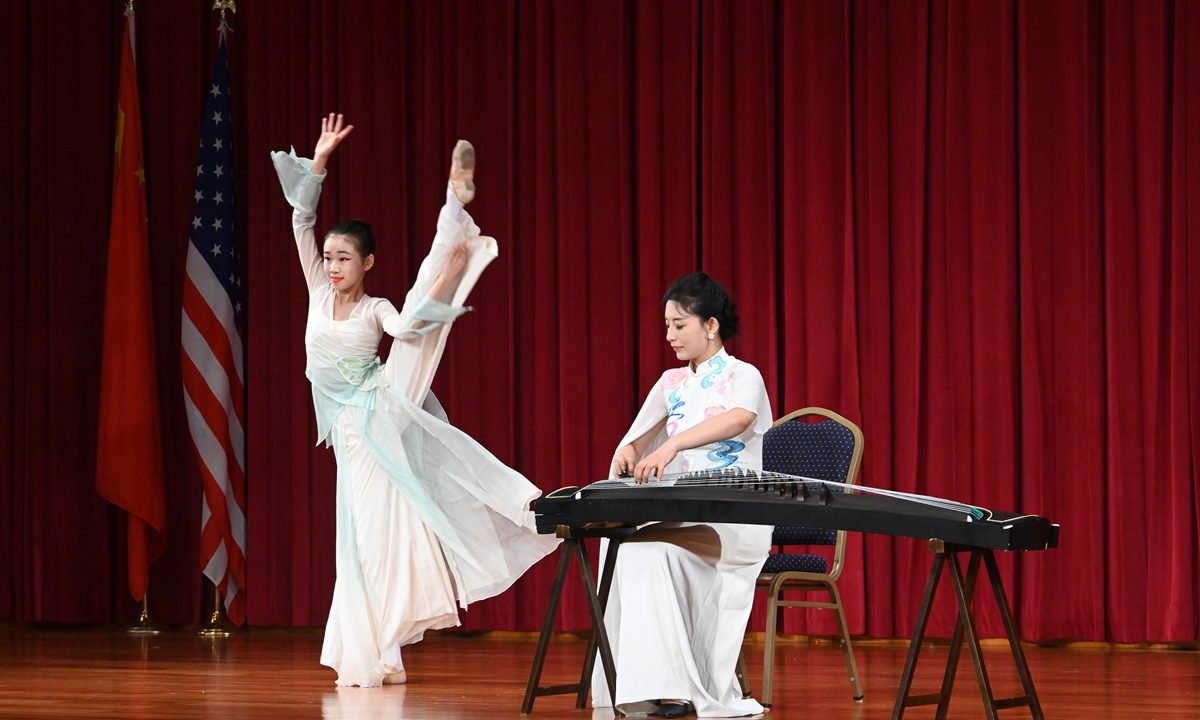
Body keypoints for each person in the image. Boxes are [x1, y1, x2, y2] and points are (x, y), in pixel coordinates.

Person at [271, 114, 558, 688]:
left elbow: (409, 328)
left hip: (380, 407)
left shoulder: (375, 306)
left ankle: (453, 217)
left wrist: (446, 280)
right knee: (372, 539)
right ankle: (385, 649)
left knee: (413, 339)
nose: (332, 267)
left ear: (367, 263)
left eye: (344, 258)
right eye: (328, 258)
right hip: (351, 435)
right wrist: (320, 162)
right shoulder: (316, 292)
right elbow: (301, 219)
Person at [593, 272, 774, 717]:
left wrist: (674, 444)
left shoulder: (742, 375)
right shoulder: (670, 382)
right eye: (667, 326)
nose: (670, 335)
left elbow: (738, 419)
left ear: (711, 325)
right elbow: (635, 439)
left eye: (680, 324)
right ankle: (655, 687)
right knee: (625, 550)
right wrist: (626, 455)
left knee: (641, 551)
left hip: (732, 519)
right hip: (681, 517)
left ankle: (676, 687)